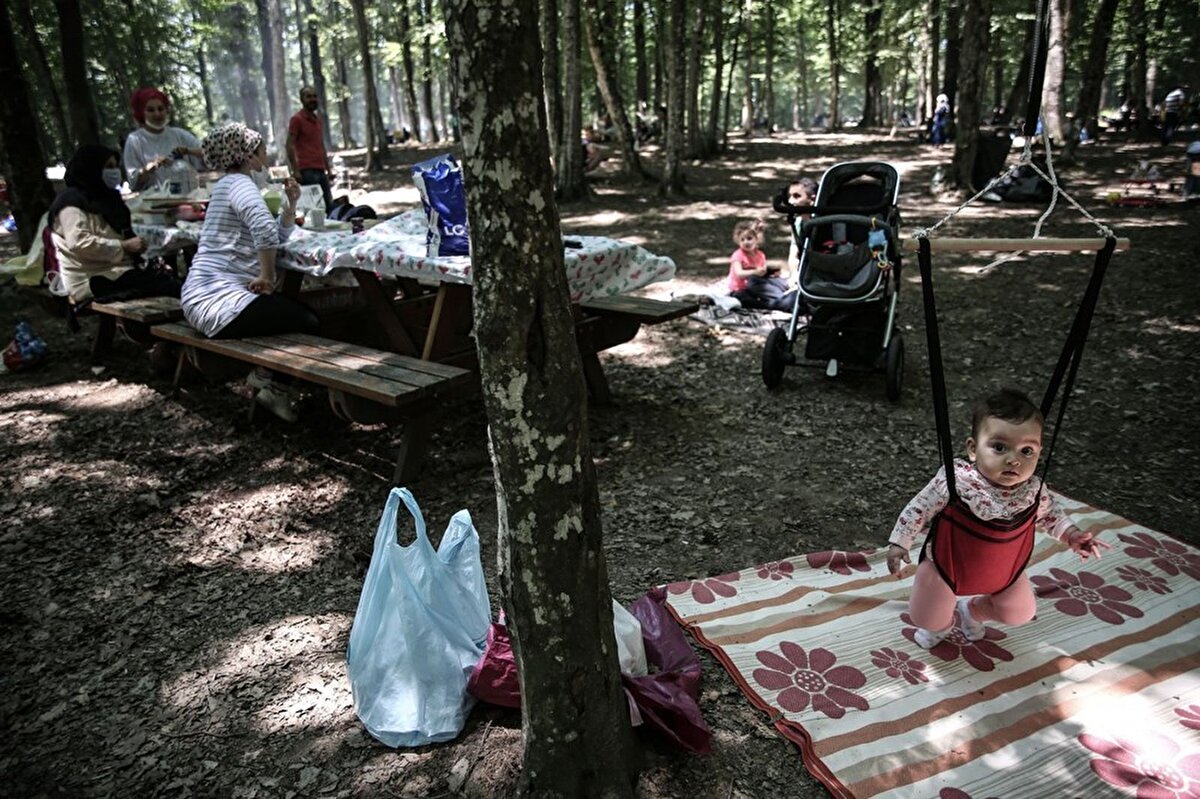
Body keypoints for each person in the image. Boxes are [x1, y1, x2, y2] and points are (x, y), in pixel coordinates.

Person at [885, 388, 1110, 649]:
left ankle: (974, 610)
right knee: (926, 616)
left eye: (1027, 451)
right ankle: (943, 624)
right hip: (946, 568)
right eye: (1000, 447)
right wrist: (900, 543)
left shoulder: (1033, 490)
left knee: (1020, 613)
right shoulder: (957, 481)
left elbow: (1051, 516)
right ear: (973, 449)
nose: (1014, 460)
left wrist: (1072, 535)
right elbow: (918, 508)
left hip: (1004, 572)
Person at [182, 122, 318, 422]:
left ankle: (264, 375)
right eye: (261, 148)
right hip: (216, 304)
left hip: (200, 296)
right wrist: (267, 278)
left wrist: (290, 205)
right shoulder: (241, 186)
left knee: (287, 311)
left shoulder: (227, 186)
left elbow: (273, 235)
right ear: (247, 155)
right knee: (307, 321)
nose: (265, 153)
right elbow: (265, 236)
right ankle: (273, 387)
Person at [48, 144, 180, 305]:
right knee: (167, 287)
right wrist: (123, 246)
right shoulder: (70, 203)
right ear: (92, 168)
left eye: (115, 166)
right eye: (108, 167)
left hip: (118, 271)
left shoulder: (108, 198)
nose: (114, 172)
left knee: (172, 282)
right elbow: (79, 242)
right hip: (89, 279)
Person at [123, 87, 206, 193]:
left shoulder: (179, 134)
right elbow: (133, 181)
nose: (157, 114)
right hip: (154, 205)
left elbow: (207, 152)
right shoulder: (135, 140)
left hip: (187, 199)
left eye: (161, 108)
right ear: (142, 113)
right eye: (151, 110)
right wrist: (150, 167)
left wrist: (188, 151)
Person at [727, 220, 797, 312]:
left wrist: (770, 273)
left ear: (756, 239)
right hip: (742, 289)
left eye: (749, 238)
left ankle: (787, 292)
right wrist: (754, 272)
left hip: (758, 284)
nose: (746, 242)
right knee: (753, 285)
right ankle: (781, 300)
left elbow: (762, 273)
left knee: (778, 280)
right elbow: (739, 273)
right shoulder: (738, 255)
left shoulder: (760, 254)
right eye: (742, 240)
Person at [286, 86, 334, 213]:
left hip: (320, 170)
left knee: (329, 206)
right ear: (302, 99)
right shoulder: (297, 120)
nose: (312, 99)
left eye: (314, 96)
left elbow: (321, 145)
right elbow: (289, 145)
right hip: (306, 172)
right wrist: (295, 170)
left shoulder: (317, 121)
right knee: (314, 208)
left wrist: (328, 169)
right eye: (308, 97)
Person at [784, 176, 818, 273]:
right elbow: (793, 254)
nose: (791, 202)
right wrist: (794, 275)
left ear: (812, 199)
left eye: (797, 196)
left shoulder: (826, 222)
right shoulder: (797, 223)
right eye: (789, 196)